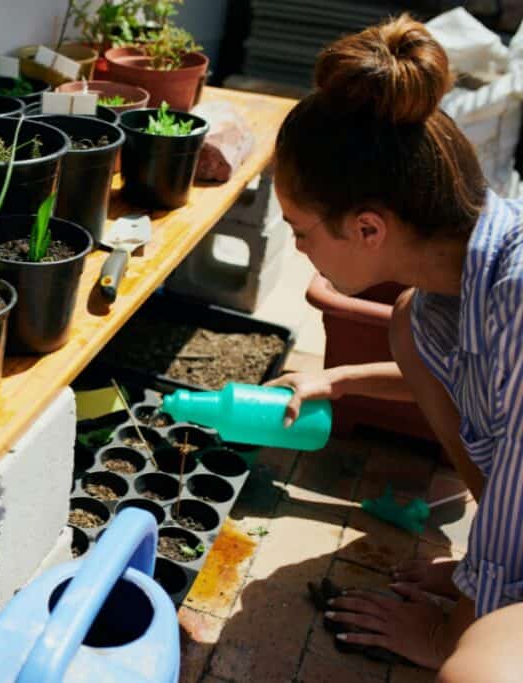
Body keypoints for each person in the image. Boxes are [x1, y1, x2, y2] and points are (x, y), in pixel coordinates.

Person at [265, 13, 523, 670]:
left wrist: (458, 628)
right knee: (409, 326)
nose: (299, 249)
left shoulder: (516, 299)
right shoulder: (452, 285)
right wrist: (338, 380)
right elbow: (479, 393)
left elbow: (518, 504)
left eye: (300, 230)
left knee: (471, 670)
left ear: (369, 228)